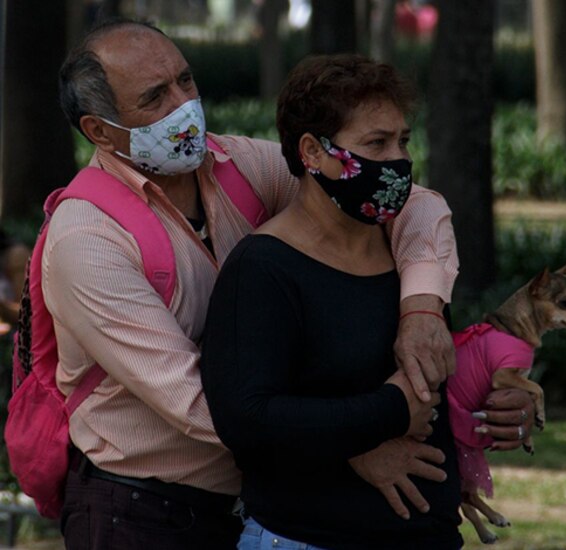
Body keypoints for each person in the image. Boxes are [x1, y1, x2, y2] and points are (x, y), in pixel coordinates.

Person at [48, 18, 533, 549]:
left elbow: (415, 201)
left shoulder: (236, 165)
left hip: (258, 501)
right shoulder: (87, 239)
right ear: (99, 130)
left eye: (185, 81)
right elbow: (205, 401)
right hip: (143, 511)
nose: (182, 104)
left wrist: (420, 311)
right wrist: (354, 440)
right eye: (154, 96)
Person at [201, 53, 467, 549]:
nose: (398, 161)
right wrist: (386, 412)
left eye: (403, 140)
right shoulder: (263, 269)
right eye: (376, 143)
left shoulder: (409, 260)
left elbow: (433, 390)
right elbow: (249, 421)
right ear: (312, 151)